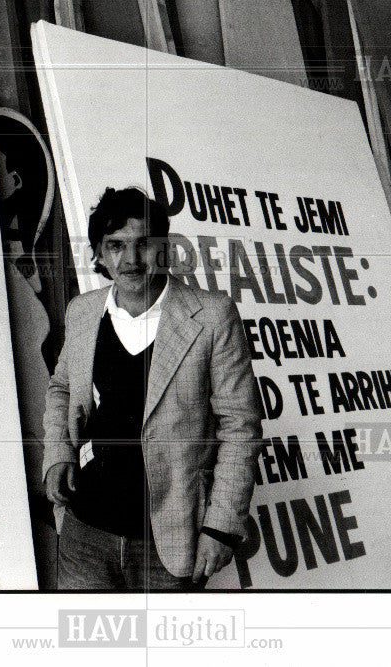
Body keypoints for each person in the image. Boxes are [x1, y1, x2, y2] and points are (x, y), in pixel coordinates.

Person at [42, 187, 262, 590]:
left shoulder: (213, 316)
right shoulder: (83, 311)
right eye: (115, 245)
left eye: (143, 245)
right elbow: (61, 388)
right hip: (83, 532)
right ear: (99, 253)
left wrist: (221, 527)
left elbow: (240, 428)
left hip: (169, 542)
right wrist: (58, 453)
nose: (129, 260)